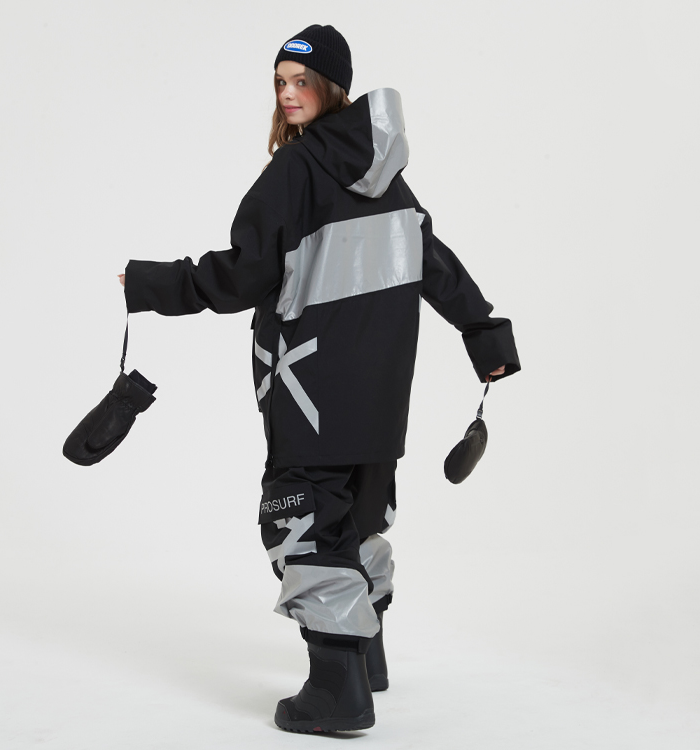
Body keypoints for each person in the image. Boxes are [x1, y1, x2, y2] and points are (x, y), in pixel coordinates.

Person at [118, 24, 520, 734]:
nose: (287, 93)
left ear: (333, 87)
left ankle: (336, 692)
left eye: (301, 81)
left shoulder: (295, 170)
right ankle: (366, 658)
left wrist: (152, 283)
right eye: (279, 81)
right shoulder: (386, 175)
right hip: (381, 390)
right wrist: (483, 332)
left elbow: (242, 275)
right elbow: (432, 258)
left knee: (301, 520)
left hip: (310, 385)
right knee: (360, 518)